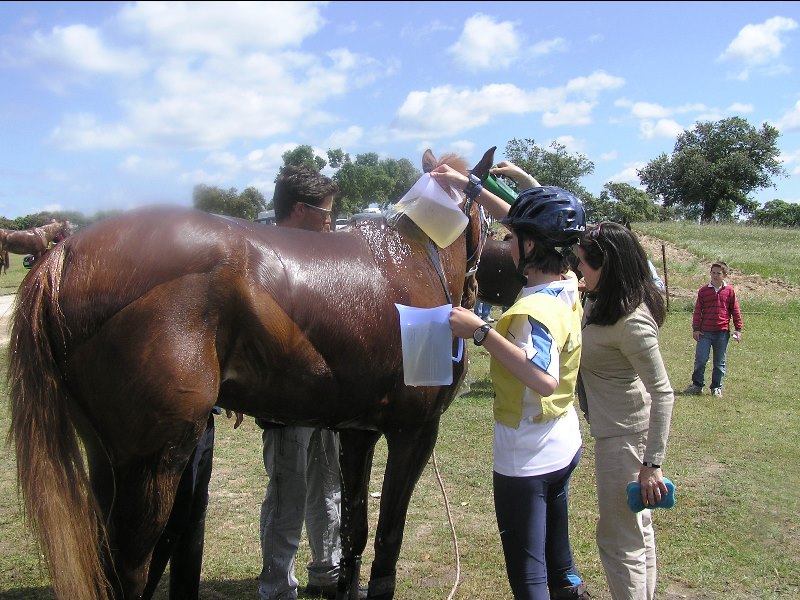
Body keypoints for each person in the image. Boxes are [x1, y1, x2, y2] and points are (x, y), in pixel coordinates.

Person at [431, 163, 591, 600]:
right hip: (562, 443)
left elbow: (542, 377)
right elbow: (522, 222)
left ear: (530, 245)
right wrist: (470, 187)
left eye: (511, 239)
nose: (505, 241)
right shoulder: (568, 284)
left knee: (529, 574)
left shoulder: (533, 312)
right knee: (559, 557)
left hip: (528, 458)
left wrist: (480, 331)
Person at [257, 165, 356, 600]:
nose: (330, 220)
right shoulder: (263, 257)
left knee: (327, 480)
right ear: (299, 209)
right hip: (286, 399)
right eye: (324, 212)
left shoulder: (322, 252)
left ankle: (327, 569)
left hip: (327, 397)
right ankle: (278, 585)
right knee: (287, 491)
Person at [574, 222, 674, 600]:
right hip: (617, 433)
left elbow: (663, 392)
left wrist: (652, 464)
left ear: (608, 266)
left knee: (619, 541)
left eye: (584, 263)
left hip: (626, 442)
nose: (578, 269)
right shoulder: (603, 300)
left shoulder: (631, 320)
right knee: (637, 533)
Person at [144, 407, 243, 599]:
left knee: (194, 512)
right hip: (179, 419)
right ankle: (136, 591)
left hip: (204, 419)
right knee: (172, 514)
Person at [683, 261, 743, 398]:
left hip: (722, 332)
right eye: (713, 273)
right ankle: (697, 385)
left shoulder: (729, 291)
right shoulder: (704, 291)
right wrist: (696, 329)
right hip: (705, 332)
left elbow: (735, 310)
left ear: (725, 275)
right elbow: (698, 311)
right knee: (701, 359)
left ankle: (716, 387)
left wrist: (738, 329)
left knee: (719, 362)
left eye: (718, 273)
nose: (715, 276)